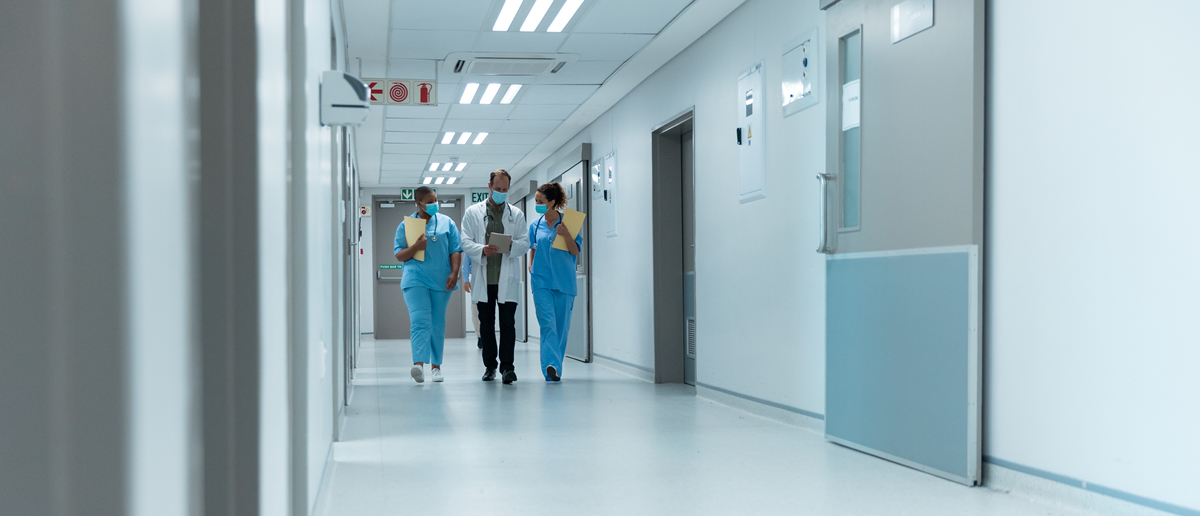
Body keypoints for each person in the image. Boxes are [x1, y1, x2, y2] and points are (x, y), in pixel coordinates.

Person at [461, 169, 529, 384]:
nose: (501, 192)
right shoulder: (473, 212)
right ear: (489, 186)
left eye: (505, 189)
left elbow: (525, 242)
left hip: (506, 278)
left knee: (508, 324)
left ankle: (507, 367)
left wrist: (509, 245)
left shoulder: (516, 214)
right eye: (498, 188)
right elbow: (465, 241)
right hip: (484, 278)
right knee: (486, 324)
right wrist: (482, 249)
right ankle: (490, 366)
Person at [393, 187, 462, 384]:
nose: (434, 204)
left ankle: (437, 367)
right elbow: (399, 255)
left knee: (437, 324)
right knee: (420, 321)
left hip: (442, 280)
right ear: (419, 203)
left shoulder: (447, 223)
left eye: (435, 200)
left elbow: (455, 250)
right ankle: (419, 365)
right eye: (429, 201)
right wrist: (415, 247)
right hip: (415, 280)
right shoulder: (406, 226)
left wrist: (454, 272)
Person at [528, 182, 582, 382]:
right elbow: (533, 246)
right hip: (541, 282)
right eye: (536, 200)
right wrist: (531, 263)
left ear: (552, 202)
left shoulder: (569, 222)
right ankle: (551, 365)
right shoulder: (535, 225)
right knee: (547, 324)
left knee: (561, 328)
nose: (537, 204)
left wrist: (566, 234)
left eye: (540, 201)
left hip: (564, 283)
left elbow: (575, 251)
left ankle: (555, 367)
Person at [463, 254, 483, 349]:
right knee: (475, 313)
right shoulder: (470, 248)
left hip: (490, 282)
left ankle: (487, 336)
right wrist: (466, 280)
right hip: (476, 282)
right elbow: (465, 265)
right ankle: (479, 336)